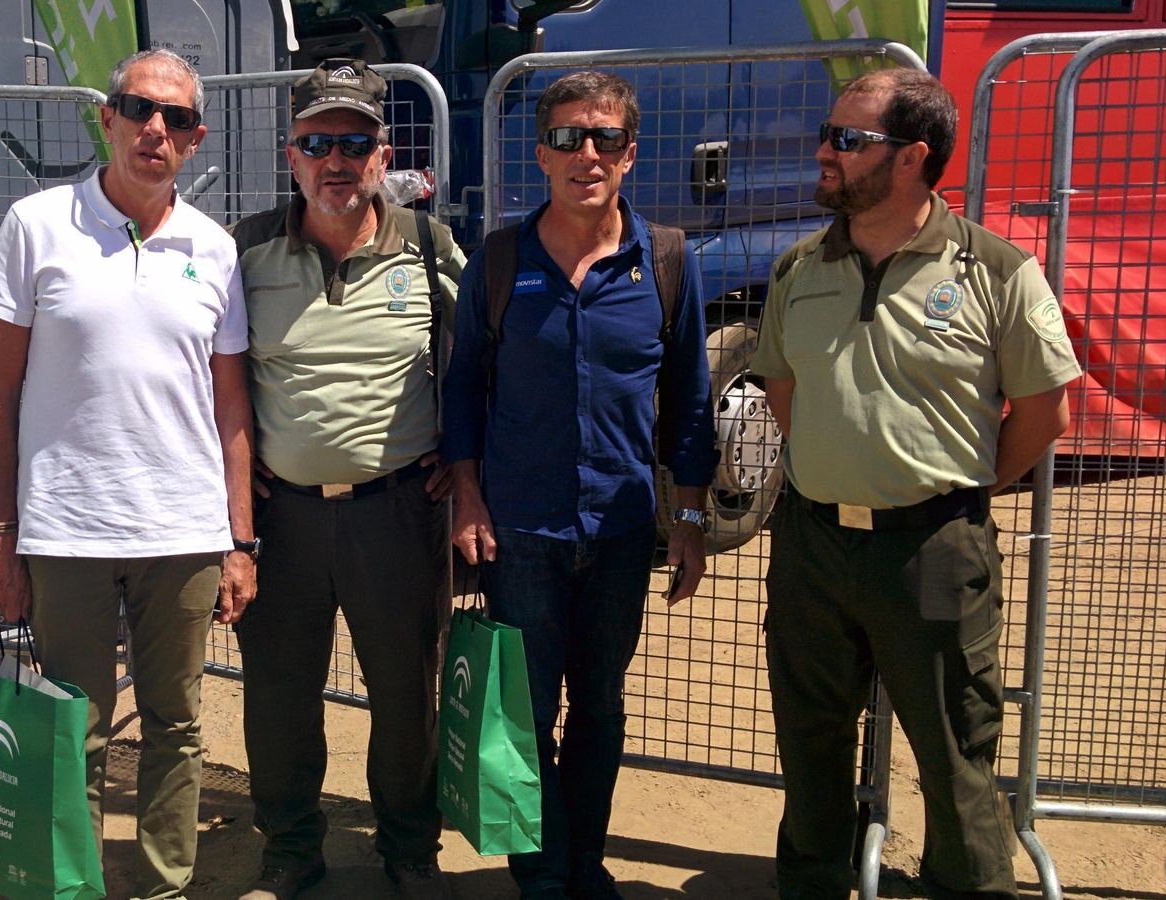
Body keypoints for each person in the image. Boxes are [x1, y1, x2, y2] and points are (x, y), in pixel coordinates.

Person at [750, 68, 1080, 900]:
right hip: (813, 545)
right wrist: (840, 471)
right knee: (810, 741)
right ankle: (814, 885)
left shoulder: (995, 270)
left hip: (934, 551)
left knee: (953, 752)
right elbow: (782, 388)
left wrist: (951, 493)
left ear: (912, 158)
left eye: (847, 140)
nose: (824, 153)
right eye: (829, 135)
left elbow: (1043, 414)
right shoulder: (801, 266)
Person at [0, 48, 258, 900]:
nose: (155, 129)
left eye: (175, 119)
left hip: (184, 531)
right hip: (68, 529)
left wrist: (239, 539)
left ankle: (165, 884)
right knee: (74, 731)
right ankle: (72, 885)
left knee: (176, 725)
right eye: (139, 109)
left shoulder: (215, 249)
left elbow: (231, 404)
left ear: (196, 139)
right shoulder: (36, 225)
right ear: (108, 117)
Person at [443, 71, 718, 900]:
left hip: (624, 530)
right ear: (542, 155)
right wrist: (467, 494)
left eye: (603, 139)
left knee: (599, 706)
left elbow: (691, 398)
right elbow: (461, 390)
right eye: (567, 138)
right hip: (520, 533)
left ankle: (586, 863)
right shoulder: (498, 261)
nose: (585, 154)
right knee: (526, 714)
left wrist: (694, 515)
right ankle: (544, 871)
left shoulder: (666, 262)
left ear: (630, 154)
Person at [228, 57, 464, 900]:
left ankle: (409, 847)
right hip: (281, 519)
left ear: (383, 154)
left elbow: (483, 359)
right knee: (279, 698)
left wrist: (462, 454)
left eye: (355, 143)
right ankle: (291, 848)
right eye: (317, 141)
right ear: (289, 155)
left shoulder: (431, 249)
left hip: (396, 514)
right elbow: (200, 376)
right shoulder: (245, 251)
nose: (337, 160)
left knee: (407, 694)